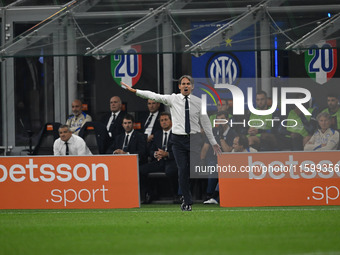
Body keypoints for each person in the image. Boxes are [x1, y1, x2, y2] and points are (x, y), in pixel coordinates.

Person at [121, 75, 221, 211]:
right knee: (182, 170)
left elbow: (206, 124)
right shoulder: (173, 99)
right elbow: (154, 96)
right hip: (178, 140)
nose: (186, 86)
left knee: (192, 170)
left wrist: (213, 142)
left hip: (194, 139)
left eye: (188, 84)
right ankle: (186, 200)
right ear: (179, 86)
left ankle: (187, 196)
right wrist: (136, 91)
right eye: (183, 84)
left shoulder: (199, 102)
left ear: (192, 87)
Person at [139, 112, 178, 203]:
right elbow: (150, 150)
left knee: (171, 171)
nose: (164, 122)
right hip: (159, 161)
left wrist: (167, 154)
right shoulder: (157, 134)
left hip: (172, 161)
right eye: (162, 120)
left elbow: (180, 151)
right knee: (140, 170)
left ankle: (176, 195)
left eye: (166, 120)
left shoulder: (176, 133)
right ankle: (148, 194)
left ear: (171, 121)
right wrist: (155, 154)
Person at [201, 111, 237, 205]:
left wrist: (221, 137)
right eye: (218, 119)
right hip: (212, 158)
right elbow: (205, 147)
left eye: (222, 119)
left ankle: (212, 195)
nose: (220, 121)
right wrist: (201, 160)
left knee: (218, 168)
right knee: (213, 166)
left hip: (227, 160)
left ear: (227, 120)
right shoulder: (213, 131)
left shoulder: (232, 132)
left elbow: (228, 150)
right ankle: (209, 194)